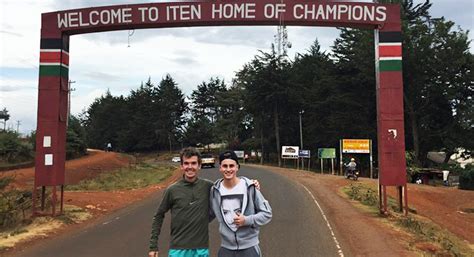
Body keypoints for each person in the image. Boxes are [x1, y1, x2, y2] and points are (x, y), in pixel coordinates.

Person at [148, 148, 260, 257]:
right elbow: (158, 215)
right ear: (181, 166)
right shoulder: (172, 190)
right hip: (178, 249)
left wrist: (250, 184)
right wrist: (153, 246)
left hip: (201, 249)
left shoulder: (209, 187)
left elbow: (230, 182)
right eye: (186, 163)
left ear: (199, 165)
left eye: (193, 163)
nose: (190, 167)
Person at [210, 150, 272, 257]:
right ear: (220, 167)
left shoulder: (249, 187)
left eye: (231, 166)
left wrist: (247, 220)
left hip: (249, 248)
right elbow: (207, 214)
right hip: (226, 248)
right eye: (225, 166)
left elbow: (267, 214)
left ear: (237, 167)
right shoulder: (214, 191)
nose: (228, 169)